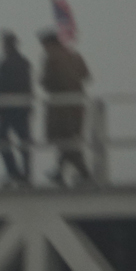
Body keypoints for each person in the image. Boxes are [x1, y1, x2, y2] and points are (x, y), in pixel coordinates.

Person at [38, 29, 91, 185]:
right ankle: (60, 171)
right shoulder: (74, 55)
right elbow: (86, 75)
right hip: (77, 105)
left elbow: (47, 82)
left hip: (60, 106)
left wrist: (45, 82)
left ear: (49, 43)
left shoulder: (51, 57)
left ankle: (83, 172)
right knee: (70, 139)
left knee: (64, 140)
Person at [0, 31, 34, 186]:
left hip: (7, 108)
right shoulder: (24, 62)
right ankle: (26, 173)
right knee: (24, 141)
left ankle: (13, 171)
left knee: (2, 138)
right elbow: (28, 87)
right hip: (22, 107)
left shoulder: (4, 63)